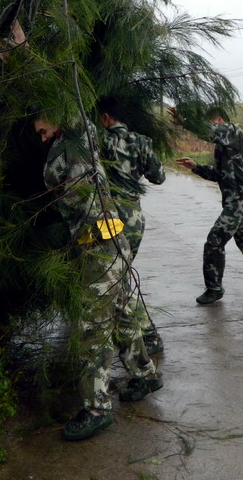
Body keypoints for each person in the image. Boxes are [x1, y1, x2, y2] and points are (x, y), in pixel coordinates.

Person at [33, 114, 163, 441]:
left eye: (42, 129)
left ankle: (97, 408)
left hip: (102, 244)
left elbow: (63, 89)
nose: (42, 137)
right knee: (120, 313)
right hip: (101, 242)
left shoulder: (80, 135)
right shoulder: (61, 146)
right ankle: (145, 374)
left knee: (92, 328)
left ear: (57, 114)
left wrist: (15, 59)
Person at [169, 105, 243, 304]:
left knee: (215, 240)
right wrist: (196, 167)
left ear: (218, 120)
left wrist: (185, 122)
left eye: (210, 122)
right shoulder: (223, 146)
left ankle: (214, 288)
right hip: (242, 200)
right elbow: (219, 175)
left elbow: (208, 132)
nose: (210, 126)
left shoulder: (232, 131)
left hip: (241, 200)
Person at [97, 96, 166, 355]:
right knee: (121, 277)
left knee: (118, 281)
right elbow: (158, 177)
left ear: (105, 118)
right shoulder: (142, 141)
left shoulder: (99, 141)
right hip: (136, 219)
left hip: (111, 219)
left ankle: (148, 336)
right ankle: (142, 335)